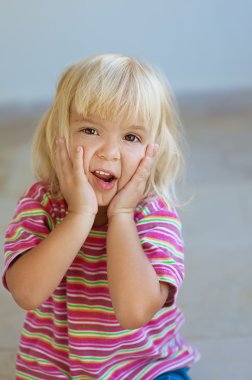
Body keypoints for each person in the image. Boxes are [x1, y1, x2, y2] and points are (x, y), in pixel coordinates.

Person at [2, 54, 199, 379]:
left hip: (145, 368)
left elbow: (135, 312)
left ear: (154, 152)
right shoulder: (42, 203)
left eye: (131, 137)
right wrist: (80, 214)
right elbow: (27, 293)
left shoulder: (154, 213)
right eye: (90, 130)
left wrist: (121, 215)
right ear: (59, 136)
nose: (109, 151)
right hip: (56, 370)